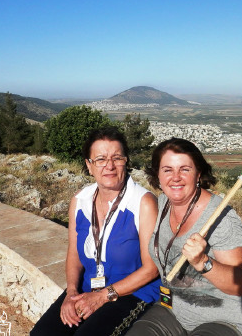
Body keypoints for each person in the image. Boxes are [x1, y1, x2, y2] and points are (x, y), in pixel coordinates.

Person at [31, 127, 161, 336]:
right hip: (87, 288)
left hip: (133, 293)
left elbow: (151, 269)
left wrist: (102, 296)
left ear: (126, 162)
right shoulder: (80, 201)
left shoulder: (142, 202)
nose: (109, 165)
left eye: (117, 158)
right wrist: (71, 292)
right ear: (89, 166)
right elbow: (74, 254)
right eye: (100, 159)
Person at [127, 138, 242, 336]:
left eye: (185, 169)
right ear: (157, 174)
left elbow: (240, 284)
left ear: (198, 174)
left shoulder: (221, 217)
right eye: (167, 170)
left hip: (220, 321)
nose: (175, 177)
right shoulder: (161, 205)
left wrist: (204, 262)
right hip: (171, 310)